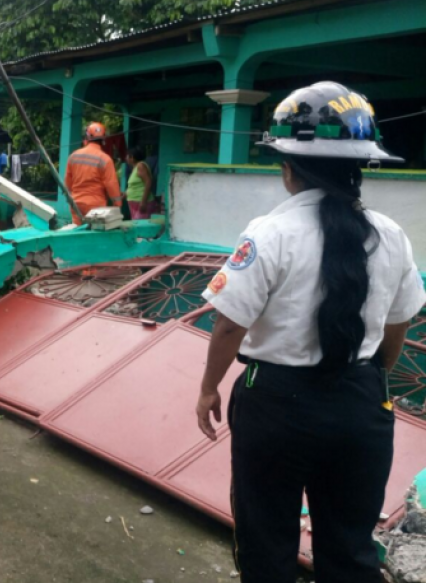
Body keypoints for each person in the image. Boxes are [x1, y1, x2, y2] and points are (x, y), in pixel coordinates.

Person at [194, 81, 426, 583]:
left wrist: (209, 387)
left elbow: (230, 322)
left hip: (276, 404)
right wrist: (368, 380)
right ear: (359, 165)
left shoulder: (269, 233)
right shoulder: (391, 235)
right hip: (362, 406)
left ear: (288, 167)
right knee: (349, 549)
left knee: (266, 540)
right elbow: (399, 322)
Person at [64, 122, 121, 225]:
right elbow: (111, 185)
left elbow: (67, 182)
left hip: (76, 203)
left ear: (87, 137)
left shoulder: (73, 156)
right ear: (104, 139)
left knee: (77, 233)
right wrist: (118, 206)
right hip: (96, 207)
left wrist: (69, 199)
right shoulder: (105, 159)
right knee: (94, 236)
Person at [125, 146, 154, 220]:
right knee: (136, 226)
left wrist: (143, 202)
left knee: (140, 227)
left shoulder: (141, 166)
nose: (126, 158)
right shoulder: (135, 168)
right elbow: (134, 186)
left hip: (141, 202)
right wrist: (124, 195)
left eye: (128, 156)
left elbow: (148, 182)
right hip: (134, 202)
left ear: (132, 157)